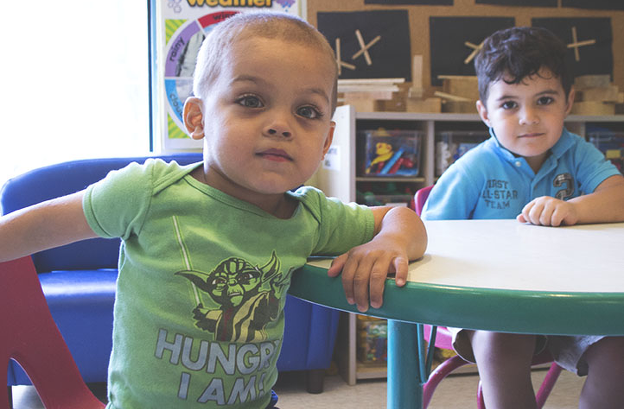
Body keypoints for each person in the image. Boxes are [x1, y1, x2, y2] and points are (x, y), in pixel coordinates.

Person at [0, 12, 427, 409]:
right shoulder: (149, 192)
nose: (281, 124)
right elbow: (28, 230)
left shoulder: (311, 216)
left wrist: (391, 240)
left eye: (306, 111)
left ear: (325, 140)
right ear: (198, 118)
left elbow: (404, 217)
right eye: (251, 100)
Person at [422, 26, 624, 409]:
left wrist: (576, 208)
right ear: (485, 112)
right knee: (502, 339)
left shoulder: (577, 153)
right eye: (510, 104)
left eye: (544, 100)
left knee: (619, 346)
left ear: (568, 102)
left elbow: (619, 196)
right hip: (489, 303)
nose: (528, 117)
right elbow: (429, 234)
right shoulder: (473, 168)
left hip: (570, 297)